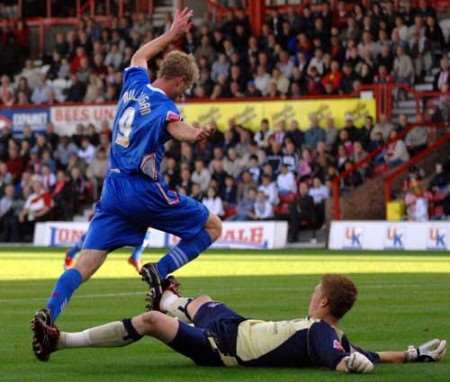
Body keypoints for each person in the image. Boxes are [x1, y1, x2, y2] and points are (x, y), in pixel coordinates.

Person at [31, 8, 222, 349]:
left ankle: (48, 313)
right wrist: (196, 134)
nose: (184, 93)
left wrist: (171, 32)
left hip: (113, 188)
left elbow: (139, 54)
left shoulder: (134, 85)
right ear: (180, 81)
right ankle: (159, 270)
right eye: (186, 88)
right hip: (141, 190)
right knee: (213, 227)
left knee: (86, 262)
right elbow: (177, 129)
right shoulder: (166, 108)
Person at [32, 274, 447, 373]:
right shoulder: (330, 333)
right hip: (240, 326)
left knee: (151, 321)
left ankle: (61, 341)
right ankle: (170, 297)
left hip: (223, 348)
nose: (311, 294)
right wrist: (412, 354)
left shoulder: (323, 336)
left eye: (314, 290)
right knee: (206, 301)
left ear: (322, 302)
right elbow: (364, 354)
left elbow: (344, 360)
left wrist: (353, 366)